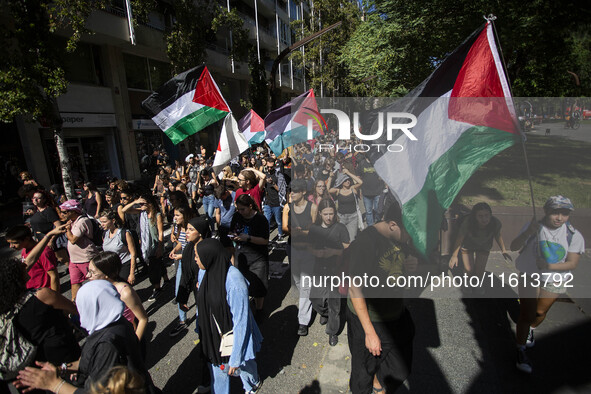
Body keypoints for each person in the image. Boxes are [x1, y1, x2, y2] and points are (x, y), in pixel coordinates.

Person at [15, 280, 160, 394]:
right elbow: (91, 360)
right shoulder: (117, 323)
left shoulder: (107, 344)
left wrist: (54, 384)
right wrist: (61, 369)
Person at [346, 202, 417, 394]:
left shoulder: (400, 237)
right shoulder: (366, 242)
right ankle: (373, 383)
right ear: (393, 224)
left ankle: (380, 381)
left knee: (400, 369)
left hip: (395, 313)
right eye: (410, 232)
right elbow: (354, 288)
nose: (412, 237)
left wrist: (412, 263)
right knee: (362, 376)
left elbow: (401, 265)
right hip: (370, 319)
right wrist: (369, 332)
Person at [510, 195, 585, 374]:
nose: (559, 217)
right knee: (526, 314)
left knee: (540, 312)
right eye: (555, 212)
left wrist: (549, 266)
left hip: (555, 278)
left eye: (564, 213)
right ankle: (520, 350)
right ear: (546, 211)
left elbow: (572, 263)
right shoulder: (533, 227)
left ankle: (531, 329)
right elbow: (514, 246)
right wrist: (528, 232)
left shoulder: (573, 235)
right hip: (530, 274)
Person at [1, 254, 80, 389]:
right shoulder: (41, 296)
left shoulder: (7, 309)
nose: (25, 268)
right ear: (15, 278)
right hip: (63, 355)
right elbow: (75, 310)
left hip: (36, 366)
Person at [195, 239, 263, 394]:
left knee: (245, 367)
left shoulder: (234, 281)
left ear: (209, 256)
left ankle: (252, 384)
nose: (195, 259)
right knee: (218, 375)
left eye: (197, 256)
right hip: (214, 338)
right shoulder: (205, 271)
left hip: (232, 336)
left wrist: (236, 358)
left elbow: (241, 321)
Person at [308, 198, 350, 346]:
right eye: (325, 214)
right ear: (320, 213)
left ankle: (332, 331)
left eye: (331, 213)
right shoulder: (314, 229)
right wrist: (315, 252)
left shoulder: (340, 228)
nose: (329, 217)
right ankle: (324, 312)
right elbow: (309, 246)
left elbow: (347, 247)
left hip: (336, 270)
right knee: (315, 299)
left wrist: (334, 251)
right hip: (319, 268)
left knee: (335, 303)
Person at [448, 202, 512, 295]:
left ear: (490, 215)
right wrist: (454, 256)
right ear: (475, 216)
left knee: (480, 269)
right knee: (468, 269)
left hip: (484, 245)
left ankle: (478, 284)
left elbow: (498, 236)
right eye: (480, 216)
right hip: (468, 245)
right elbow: (459, 238)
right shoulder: (468, 223)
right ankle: (467, 282)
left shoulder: (495, 223)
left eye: (487, 215)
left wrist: (503, 250)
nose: (484, 219)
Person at [281, 180, 317, 336]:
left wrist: (300, 232)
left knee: (305, 286)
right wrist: (296, 231)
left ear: (303, 192)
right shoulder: (287, 207)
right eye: (291, 191)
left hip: (308, 250)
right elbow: (284, 227)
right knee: (297, 281)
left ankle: (303, 321)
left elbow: (315, 230)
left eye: (295, 191)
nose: (292, 194)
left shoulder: (313, 207)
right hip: (293, 248)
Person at [86, 252, 148, 342]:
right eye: (88, 271)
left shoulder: (125, 292)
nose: (88, 276)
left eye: (92, 272)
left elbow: (143, 319)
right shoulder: (97, 288)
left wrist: (134, 346)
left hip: (128, 340)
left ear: (106, 274)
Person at [122, 194, 169, 301]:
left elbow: (160, 233)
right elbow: (124, 210)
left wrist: (160, 248)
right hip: (145, 244)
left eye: (143, 204)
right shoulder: (141, 213)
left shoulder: (157, 215)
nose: (141, 205)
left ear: (150, 204)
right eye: (140, 204)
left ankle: (157, 288)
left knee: (152, 268)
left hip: (155, 244)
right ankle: (166, 280)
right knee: (158, 263)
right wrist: (134, 202)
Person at [230, 194, 270, 321]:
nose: (240, 212)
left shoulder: (260, 219)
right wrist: (233, 236)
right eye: (238, 209)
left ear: (250, 206)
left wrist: (247, 238)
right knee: (242, 285)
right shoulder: (237, 216)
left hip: (257, 258)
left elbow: (265, 241)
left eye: (243, 209)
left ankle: (259, 310)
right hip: (241, 256)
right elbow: (232, 230)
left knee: (259, 286)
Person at [60, 199, 101, 302]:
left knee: (95, 281)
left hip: (85, 258)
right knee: (75, 282)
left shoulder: (82, 221)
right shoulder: (71, 222)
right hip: (74, 260)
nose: (62, 214)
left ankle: (100, 300)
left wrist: (68, 230)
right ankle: (75, 303)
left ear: (73, 211)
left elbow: (73, 239)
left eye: (65, 212)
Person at [5, 225, 60, 292]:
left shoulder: (44, 252)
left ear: (27, 239)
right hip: (32, 291)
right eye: (10, 243)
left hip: (44, 292)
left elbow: (53, 275)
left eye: (15, 243)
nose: (11, 246)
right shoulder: (24, 250)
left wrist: (55, 296)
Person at [168, 206, 194, 337]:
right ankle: (182, 320)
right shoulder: (178, 227)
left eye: (177, 215)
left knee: (197, 292)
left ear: (185, 216)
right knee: (180, 291)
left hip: (194, 264)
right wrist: (175, 249)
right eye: (174, 215)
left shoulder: (191, 228)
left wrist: (181, 256)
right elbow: (181, 243)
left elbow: (194, 248)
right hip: (183, 264)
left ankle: (202, 320)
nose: (175, 218)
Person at [99, 210, 138, 285]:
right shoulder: (105, 234)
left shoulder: (124, 233)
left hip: (124, 265)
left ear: (113, 221)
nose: (102, 224)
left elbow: (133, 253)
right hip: (112, 268)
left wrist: (132, 273)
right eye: (101, 222)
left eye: (104, 222)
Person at [328, 167, 363, 241]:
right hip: (341, 218)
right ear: (341, 182)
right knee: (341, 238)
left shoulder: (353, 189)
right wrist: (330, 177)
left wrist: (348, 173)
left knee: (352, 239)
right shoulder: (338, 190)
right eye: (345, 180)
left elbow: (360, 182)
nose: (348, 181)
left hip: (353, 217)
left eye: (348, 180)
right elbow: (328, 190)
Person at [262, 157, 287, 241]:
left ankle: (280, 235)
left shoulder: (278, 175)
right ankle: (266, 236)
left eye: (271, 167)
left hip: (276, 202)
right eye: (268, 167)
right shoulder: (264, 174)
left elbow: (281, 189)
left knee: (278, 221)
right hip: (267, 202)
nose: (269, 169)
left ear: (274, 166)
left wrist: (272, 183)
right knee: (266, 221)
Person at [356, 153, 383, 226]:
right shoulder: (362, 164)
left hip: (378, 191)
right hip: (366, 192)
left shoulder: (377, 162)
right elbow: (358, 176)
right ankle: (370, 227)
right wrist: (358, 189)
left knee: (378, 210)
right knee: (368, 211)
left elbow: (384, 173)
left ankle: (378, 223)